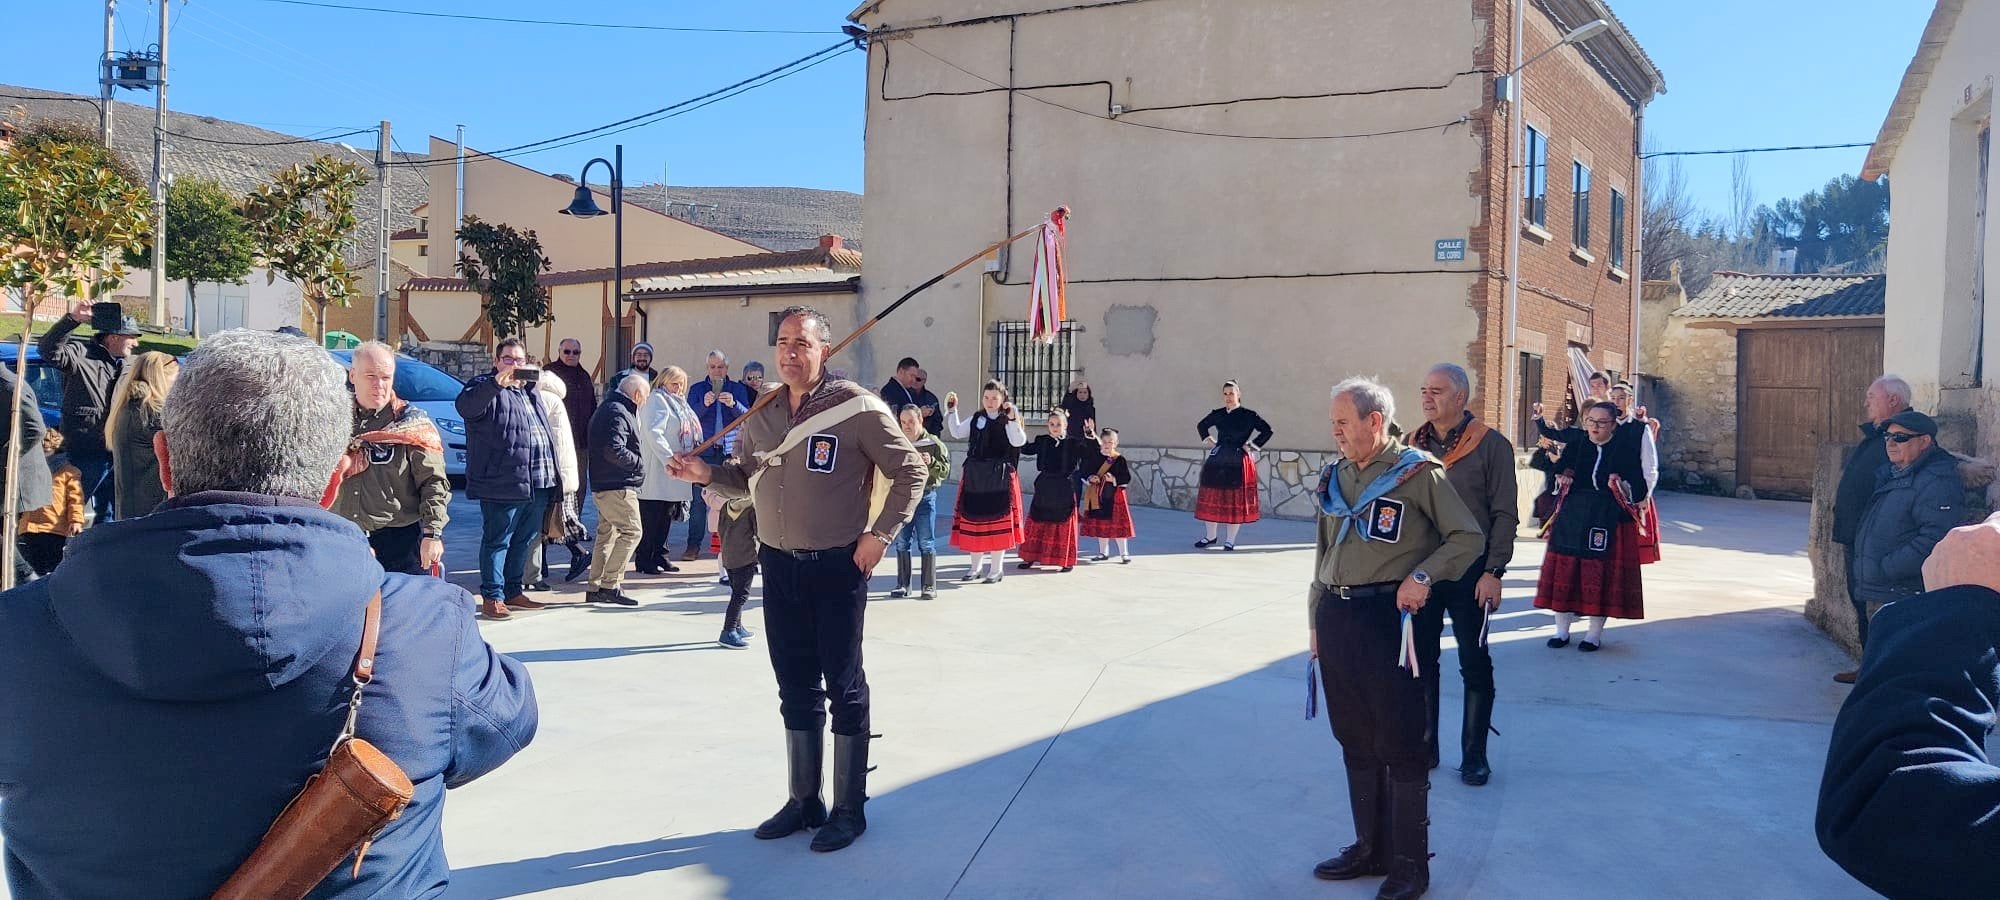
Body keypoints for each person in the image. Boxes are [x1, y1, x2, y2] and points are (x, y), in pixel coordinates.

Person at [0, 328, 537, 899]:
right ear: (335, 479)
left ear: (164, 461)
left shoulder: (20, 632)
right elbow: (506, 724)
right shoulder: (426, 628)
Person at [665, 305, 925, 854]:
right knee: (794, 684)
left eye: (801, 344)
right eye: (783, 342)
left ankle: (849, 810)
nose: (789, 352)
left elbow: (911, 470)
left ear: (823, 351)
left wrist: (879, 536)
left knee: (843, 685)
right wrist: (705, 472)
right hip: (777, 563)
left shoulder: (854, 407)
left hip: (837, 565)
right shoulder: (760, 413)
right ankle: (803, 799)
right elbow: (745, 478)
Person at [1309, 377, 1482, 899]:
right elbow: (1321, 559)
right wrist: (1315, 623)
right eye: (1334, 422)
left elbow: (1467, 536)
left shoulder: (1416, 472)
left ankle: (1410, 866)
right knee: (1355, 737)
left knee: (1402, 742)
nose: (1335, 431)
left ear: (1374, 421)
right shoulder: (1335, 476)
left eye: (1343, 421)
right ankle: (1370, 850)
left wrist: (1423, 576)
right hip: (1338, 616)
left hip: (1392, 620)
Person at [1815, 514, 2000, 897]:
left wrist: (1962, 608)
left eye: (1899, 445)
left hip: (1908, 580)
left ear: (1922, 446)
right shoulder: (1892, 474)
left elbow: (1879, 803)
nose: (1891, 449)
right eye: (1888, 445)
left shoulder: (1936, 477)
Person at [1408, 363, 1517, 786]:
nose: (1427, 397)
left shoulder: (1491, 446)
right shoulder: (1411, 447)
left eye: (1436, 390)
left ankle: (1474, 755)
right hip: (1422, 574)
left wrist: (1495, 571)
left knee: (1475, 662)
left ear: (1460, 397)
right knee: (1420, 662)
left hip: (1472, 573)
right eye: (1424, 389)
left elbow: (1505, 514)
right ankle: (1425, 746)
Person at [456, 338, 562, 620]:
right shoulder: (483, 387)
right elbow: (466, 408)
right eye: (508, 359)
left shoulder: (529, 391)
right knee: (497, 540)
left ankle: (513, 590)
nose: (514, 365)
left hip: (537, 480)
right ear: (496, 361)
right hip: (501, 481)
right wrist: (495, 384)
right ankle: (493, 596)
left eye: (519, 360)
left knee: (524, 539)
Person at [1534, 401, 1651, 651]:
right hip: (1573, 515)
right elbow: (1559, 469)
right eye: (1590, 421)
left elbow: (1639, 487)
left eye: (1601, 423)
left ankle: (1593, 635)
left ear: (1613, 425)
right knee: (1565, 572)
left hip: (1607, 517)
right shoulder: (1577, 443)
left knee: (1600, 578)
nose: (1594, 427)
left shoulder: (1624, 448)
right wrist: (1563, 476)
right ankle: (1561, 632)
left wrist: (1621, 485)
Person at [333, 342, 450, 577]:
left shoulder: (411, 424)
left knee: (401, 611)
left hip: (398, 543)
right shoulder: (333, 420)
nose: (379, 385)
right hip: (342, 539)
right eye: (371, 376)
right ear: (353, 375)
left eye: (386, 377)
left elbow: (434, 484)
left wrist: (432, 534)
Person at [1829, 374, 1911, 684]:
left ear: (1893, 400)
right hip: (1858, 538)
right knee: (1861, 604)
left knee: (1881, 609)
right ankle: (1868, 668)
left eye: (1871, 397)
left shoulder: (1903, 434)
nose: (1865, 403)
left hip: (1878, 540)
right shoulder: (1881, 434)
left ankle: (1879, 673)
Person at [1851, 410, 1962, 616]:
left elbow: (1936, 538)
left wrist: (1888, 568)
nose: (1891, 443)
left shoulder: (1937, 480)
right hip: (1882, 590)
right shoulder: (1893, 474)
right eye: (1888, 437)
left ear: (1925, 441)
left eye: (1900, 438)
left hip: (1901, 594)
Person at [40, 301, 141, 524]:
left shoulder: (131, 364)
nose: (135, 343)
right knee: (70, 512)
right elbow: (48, 350)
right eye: (131, 336)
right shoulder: (81, 353)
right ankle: (59, 555)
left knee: (111, 515)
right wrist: (72, 320)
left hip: (117, 454)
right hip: (84, 450)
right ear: (114, 337)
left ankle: (105, 555)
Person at [947, 380, 1028, 583]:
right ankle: (975, 568)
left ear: (1002, 399)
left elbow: (1019, 441)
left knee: (996, 522)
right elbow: (957, 432)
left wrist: (1012, 419)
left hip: (999, 476)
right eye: (986, 397)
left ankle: (996, 569)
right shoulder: (976, 418)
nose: (990, 402)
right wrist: (952, 411)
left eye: (994, 398)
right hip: (976, 475)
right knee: (974, 521)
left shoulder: (1008, 419)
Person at [584, 373, 649, 607]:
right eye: (645, 396)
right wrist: (639, 463)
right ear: (638, 394)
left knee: (607, 534)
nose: (644, 402)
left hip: (605, 484)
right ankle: (610, 584)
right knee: (632, 532)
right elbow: (614, 449)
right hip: (617, 485)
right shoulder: (618, 411)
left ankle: (596, 586)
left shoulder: (610, 407)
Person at [520, 363, 585, 591]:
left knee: (539, 526)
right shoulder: (554, 397)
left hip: (548, 473)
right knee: (549, 524)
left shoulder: (540, 398)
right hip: (561, 472)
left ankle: (533, 575)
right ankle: (537, 572)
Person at [688, 351, 752, 562]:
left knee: (729, 500)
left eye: (721, 367)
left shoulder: (737, 388)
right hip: (705, 452)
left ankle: (728, 547)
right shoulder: (698, 389)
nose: (717, 371)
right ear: (707, 368)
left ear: (727, 368)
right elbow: (689, 418)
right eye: (713, 367)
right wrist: (703, 405)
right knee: (698, 501)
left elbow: (747, 416)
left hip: (728, 454)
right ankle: (693, 546)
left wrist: (733, 404)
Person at [637, 366, 702, 575]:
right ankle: (645, 558)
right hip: (660, 467)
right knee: (652, 516)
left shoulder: (679, 402)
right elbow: (653, 432)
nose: (679, 387)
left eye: (682, 383)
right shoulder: (657, 399)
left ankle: (660, 554)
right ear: (664, 381)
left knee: (666, 514)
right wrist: (668, 458)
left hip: (675, 468)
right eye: (675, 383)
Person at [1195, 380, 1274, 550]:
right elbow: (1202, 425)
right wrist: (1211, 441)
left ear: (1239, 394)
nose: (1228, 397)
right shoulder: (1219, 414)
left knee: (1234, 501)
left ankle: (1230, 540)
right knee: (1212, 496)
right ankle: (1210, 536)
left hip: (1239, 460)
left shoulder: (1249, 415)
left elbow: (1267, 430)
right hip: (1218, 460)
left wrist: (1250, 446)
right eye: (1225, 394)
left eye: (1231, 393)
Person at [103, 350, 176, 521]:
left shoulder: (129, 406)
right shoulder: (150, 411)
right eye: (176, 377)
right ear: (161, 377)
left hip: (131, 507)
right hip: (150, 510)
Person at [888, 404, 950, 599]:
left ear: (920, 421)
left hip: (925, 497)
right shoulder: (898, 443)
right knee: (902, 541)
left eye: (911, 422)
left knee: (926, 541)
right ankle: (903, 585)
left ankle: (929, 586)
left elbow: (945, 470)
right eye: (903, 422)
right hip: (902, 499)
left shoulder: (933, 444)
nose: (906, 426)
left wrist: (931, 463)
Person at [1017, 409, 1089, 573]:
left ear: (1065, 425)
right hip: (1045, 485)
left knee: (1062, 521)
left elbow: (1089, 453)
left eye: (1058, 424)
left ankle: (1065, 560)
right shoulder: (1042, 440)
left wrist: (1090, 436)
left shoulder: (1073, 443)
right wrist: (1017, 429)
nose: (1055, 427)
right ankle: (1030, 557)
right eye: (1052, 424)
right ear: (1048, 425)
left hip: (1064, 486)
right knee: (1038, 519)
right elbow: (1026, 448)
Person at [0, 363, 51, 583]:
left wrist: (7, 454)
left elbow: (35, 429)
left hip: (18, 478)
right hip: (9, 475)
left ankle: (30, 581)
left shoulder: (10, 386)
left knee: (6, 539)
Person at [18, 429, 81, 576]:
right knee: (35, 566)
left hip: (54, 527)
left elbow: (75, 499)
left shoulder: (69, 472)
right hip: (31, 527)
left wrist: (76, 520)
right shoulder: (30, 468)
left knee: (54, 567)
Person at [545, 337, 598, 504]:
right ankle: (550, 528)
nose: (571, 355)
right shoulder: (549, 374)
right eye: (567, 351)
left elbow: (592, 408)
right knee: (555, 484)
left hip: (580, 443)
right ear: (559, 352)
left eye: (575, 352)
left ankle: (574, 524)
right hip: (555, 441)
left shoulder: (584, 376)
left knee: (579, 485)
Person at [1079, 426, 1135, 563]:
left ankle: (1124, 553)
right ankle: (1103, 552)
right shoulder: (1094, 457)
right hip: (1098, 497)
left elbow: (1126, 478)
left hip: (1115, 497)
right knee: (1101, 526)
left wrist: (1114, 479)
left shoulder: (1119, 459)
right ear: (1100, 442)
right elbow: (1085, 471)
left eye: (1111, 442)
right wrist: (1091, 478)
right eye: (1105, 441)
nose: (1107, 444)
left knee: (1118, 527)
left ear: (1116, 444)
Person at [715, 490, 760, 647]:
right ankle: (728, 630)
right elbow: (759, 534)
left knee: (736, 591)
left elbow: (719, 530)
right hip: (745, 557)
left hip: (729, 556)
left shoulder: (726, 506)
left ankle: (738, 626)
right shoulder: (752, 509)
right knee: (741, 595)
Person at [880, 356, 942, 435]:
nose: (913, 380)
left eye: (915, 377)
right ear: (901, 372)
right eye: (911, 375)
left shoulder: (905, 390)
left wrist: (919, 411)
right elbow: (893, 419)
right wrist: (919, 413)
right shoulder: (890, 391)